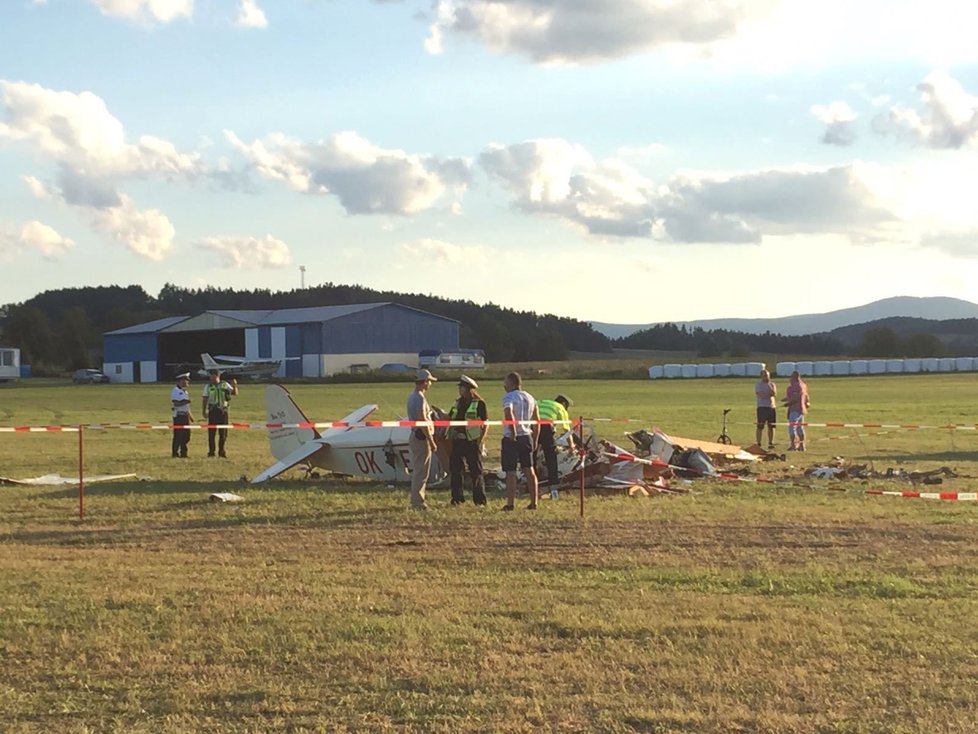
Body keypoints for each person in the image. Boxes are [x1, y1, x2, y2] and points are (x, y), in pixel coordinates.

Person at [501, 371, 540, 511]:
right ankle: (534, 502)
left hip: (512, 437)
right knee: (529, 469)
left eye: (505, 382)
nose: (504, 385)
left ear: (511, 382)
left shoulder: (508, 397)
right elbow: (537, 420)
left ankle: (510, 503)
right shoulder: (530, 397)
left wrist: (512, 431)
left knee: (510, 471)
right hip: (527, 436)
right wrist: (535, 439)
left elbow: (508, 413)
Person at [447, 374, 488, 506]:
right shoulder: (457, 403)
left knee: (476, 471)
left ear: (469, 389)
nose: (460, 390)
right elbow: (450, 418)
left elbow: (484, 424)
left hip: (471, 441)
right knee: (456, 470)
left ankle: (479, 499)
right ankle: (457, 498)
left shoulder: (479, 404)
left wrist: (480, 441)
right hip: (457, 441)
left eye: (462, 387)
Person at [407, 368, 438, 510]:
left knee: (420, 469)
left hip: (416, 435)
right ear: (424, 382)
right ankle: (418, 501)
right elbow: (422, 419)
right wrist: (431, 439)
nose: (430, 384)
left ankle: (417, 498)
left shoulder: (413, 396)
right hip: (421, 437)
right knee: (421, 471)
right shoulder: (419, 398)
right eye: (429, 381)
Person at [536, 393, 575, 495]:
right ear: (563, 404)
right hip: (545, 428)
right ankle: (553, 484)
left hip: (531, 425)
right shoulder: (560, 407)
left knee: (533, 455)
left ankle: (532, 480)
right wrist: (571, 446)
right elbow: (567, 430)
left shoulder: (542, 402)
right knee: (551, 457)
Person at [201, 369, 238, 458]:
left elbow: (234, 393)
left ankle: (221, 452)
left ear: (218, 376)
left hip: (223, 412)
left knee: (223, 433)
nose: (212, 378)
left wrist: (234, 385)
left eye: (213, 376)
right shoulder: (208, 387)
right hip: (213, 411)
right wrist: (203, 411)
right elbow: (205, 399)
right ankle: (211, 452)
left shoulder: (225, 385)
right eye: (210, 376)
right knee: (211, 434)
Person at [783, 370, 811, 451]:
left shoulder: (794, 387)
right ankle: (802, 446)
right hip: (802, 409)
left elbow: (795, 398)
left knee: (792, 427)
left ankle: (793, 445)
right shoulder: (803, 385)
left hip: (795, 409)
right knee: (800, 427)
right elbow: (806, 396)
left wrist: (788, 403)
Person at [170, 372, 194, 458]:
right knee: (178, 435)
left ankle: (183, 452)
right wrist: (186, 401)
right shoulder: (175, 391)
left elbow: (186, 406)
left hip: (185, 415)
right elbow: (176, 403)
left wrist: (190, 415)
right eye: (186, 380)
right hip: (179, 416)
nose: (187, 382)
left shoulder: (185, 391)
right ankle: (175, 452)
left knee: (186, 435)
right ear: (181, 380)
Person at [754, 369, 777, 449]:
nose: (766, 377)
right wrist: (768, 394)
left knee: (771, 426)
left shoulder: (772, 384)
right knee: (760, 426)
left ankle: (771, 442)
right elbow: (761, 395)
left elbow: (774, 393)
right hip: (762, 407)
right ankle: (758, 442)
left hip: (771, 407)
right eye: (765, 375)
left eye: (767, 375)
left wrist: (769, 392)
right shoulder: (758, 385)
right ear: (761, 376)